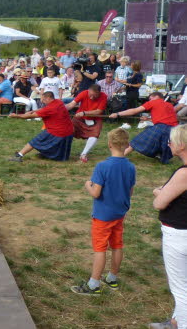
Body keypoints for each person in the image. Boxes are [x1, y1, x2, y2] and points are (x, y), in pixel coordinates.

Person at [70, 128, 135, 296]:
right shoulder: (130, 167)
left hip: (102, 216)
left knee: (100, 249)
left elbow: (96, 193)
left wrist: (87, 185)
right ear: (127, 144)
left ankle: (93, 285)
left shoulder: (103, 166)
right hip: (119, 214)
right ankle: (112, 278)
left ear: (109, 144)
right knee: (117, 245)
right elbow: (130, 192)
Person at [151, 125, 187, 329]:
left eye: (172, 141)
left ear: (181, 145)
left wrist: (159, 192)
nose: (169, 144)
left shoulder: (183, 173)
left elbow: (160, 202)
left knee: (181, 290)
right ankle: (175, 322)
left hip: (179, 234)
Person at [111, 92, 179, 164]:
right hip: (174, 130)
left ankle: (118, 158)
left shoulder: (153, 102)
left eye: (150, 98)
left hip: (161, 127)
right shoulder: (170, 105)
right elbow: (165, 119)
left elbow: (134, 111)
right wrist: (148, 119)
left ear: (155, 97)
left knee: (136, 142)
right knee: (164, 148)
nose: (149, 100)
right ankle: (162, 157)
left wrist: (117, 114)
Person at [9, 91, 74, 161]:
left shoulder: (50, 109)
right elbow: (42, 109)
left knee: (35, 141)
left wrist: (16, 115)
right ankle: (47, 154)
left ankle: (19, 155)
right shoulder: (59, 102)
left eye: (43, 99)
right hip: (69, 131)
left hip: (57, 131)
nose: (42, 101)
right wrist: (33, 111)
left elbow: (30, 116)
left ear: (48, 98)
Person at [66, 84, 108, 163]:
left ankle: (84, 154)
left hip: (95, 118)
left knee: (95, 135)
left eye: (94, 96)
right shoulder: (84, 93)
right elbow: (72, 104)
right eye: (90, 95)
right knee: (68, 131)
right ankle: (64, 151)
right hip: (79, 118)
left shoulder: (103, 96)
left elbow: (99, 111)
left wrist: (85, 113)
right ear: (88, 91)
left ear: (99, 93)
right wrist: (61, 109)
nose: (91, 98)